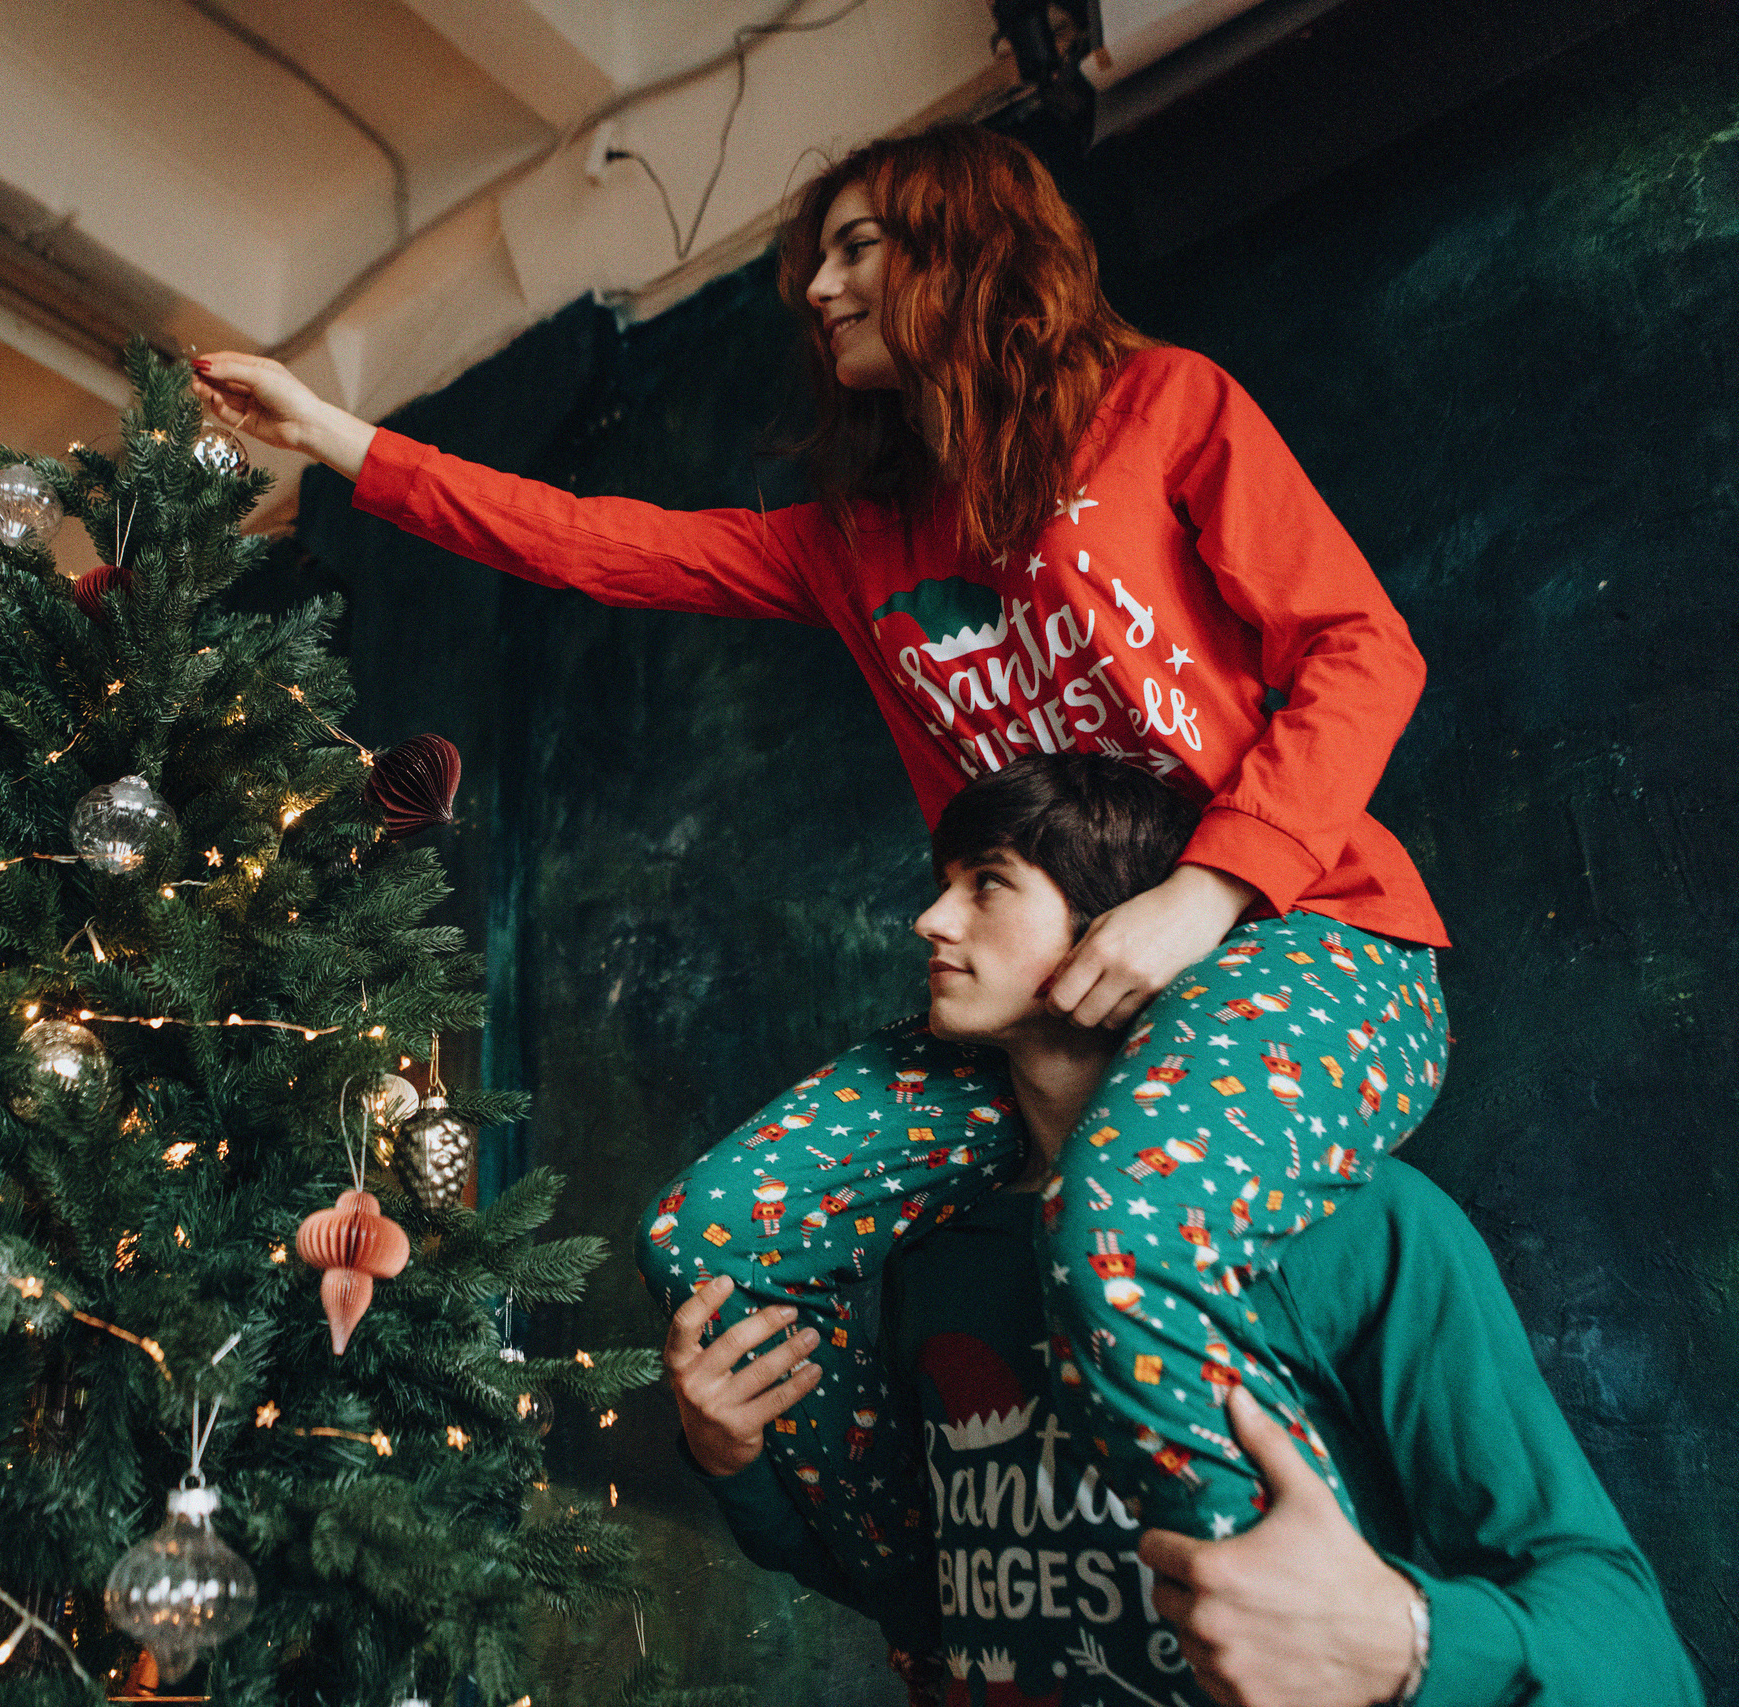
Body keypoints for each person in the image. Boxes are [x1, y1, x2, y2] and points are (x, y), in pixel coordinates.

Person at [192, 123, 1450, 1653]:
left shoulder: (1164, 408)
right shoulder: (853, 544)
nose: (825, 288)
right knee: (716, 1238)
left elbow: (1363, 648)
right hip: (1044, 1015)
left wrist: (1212, 889)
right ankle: (951, 1617)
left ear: (971, 256)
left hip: (1309, 943)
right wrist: (337, 435)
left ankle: (1278, 1649)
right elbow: (597, 545)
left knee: (1122, 1222)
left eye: (862, 249)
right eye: (816, 261)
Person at [665, 755, 1697, 1707]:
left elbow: (1635, 1651)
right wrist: (736, 1457)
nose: (929, 920)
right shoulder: (938, 1253)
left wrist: (1408, 1643)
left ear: (1125, 929)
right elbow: (933, 1599)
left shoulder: (1367, 1232)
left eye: (987, 883)